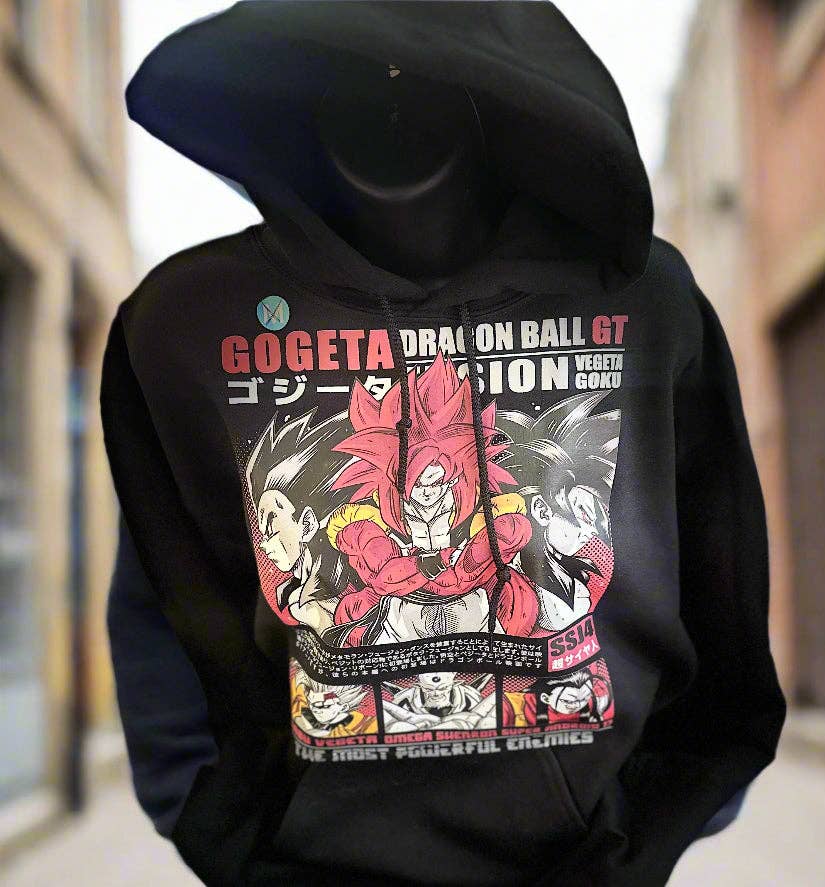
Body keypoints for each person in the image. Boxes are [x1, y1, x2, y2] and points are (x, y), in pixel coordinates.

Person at [102, 2, 786, 885]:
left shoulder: (643, 301)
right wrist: (224, 826)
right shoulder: (186, 324)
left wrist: (655, 817)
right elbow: (166, 598)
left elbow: (721, 584)